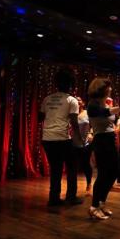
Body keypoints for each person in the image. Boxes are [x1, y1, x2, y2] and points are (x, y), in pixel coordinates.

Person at [40, 68, 83, 207]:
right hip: (62, 138)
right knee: (72, 166)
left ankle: (53, 198)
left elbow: (41, 117)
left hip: (47, 138)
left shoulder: (47, 99)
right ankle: (71, 197)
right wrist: (79, 139)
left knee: (55, 168)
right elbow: (74, 122)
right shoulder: (72, 100)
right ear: (70, 84)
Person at [87, 78, 120, 220]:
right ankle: (94, 206)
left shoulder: (105, 103)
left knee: (114, 172)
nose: (110, 89)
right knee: (104, 174)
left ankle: (101, 202)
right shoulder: (93, 104)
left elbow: (110, 118)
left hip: (110, 140)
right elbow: (104, 113)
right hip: (102, 140)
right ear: (101, 89)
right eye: (108, 87)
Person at [76, 97, 93, 195]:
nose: (77, 102)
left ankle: (89, 183)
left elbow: (94, 124)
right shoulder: (71, 114)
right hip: (73, 142)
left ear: (83, 103)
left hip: (85, 142)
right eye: (76, 101)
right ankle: (72, 190)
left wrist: (91, 133)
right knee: (73, 165)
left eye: (79, 101)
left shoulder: (87, 113)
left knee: (85, 164)